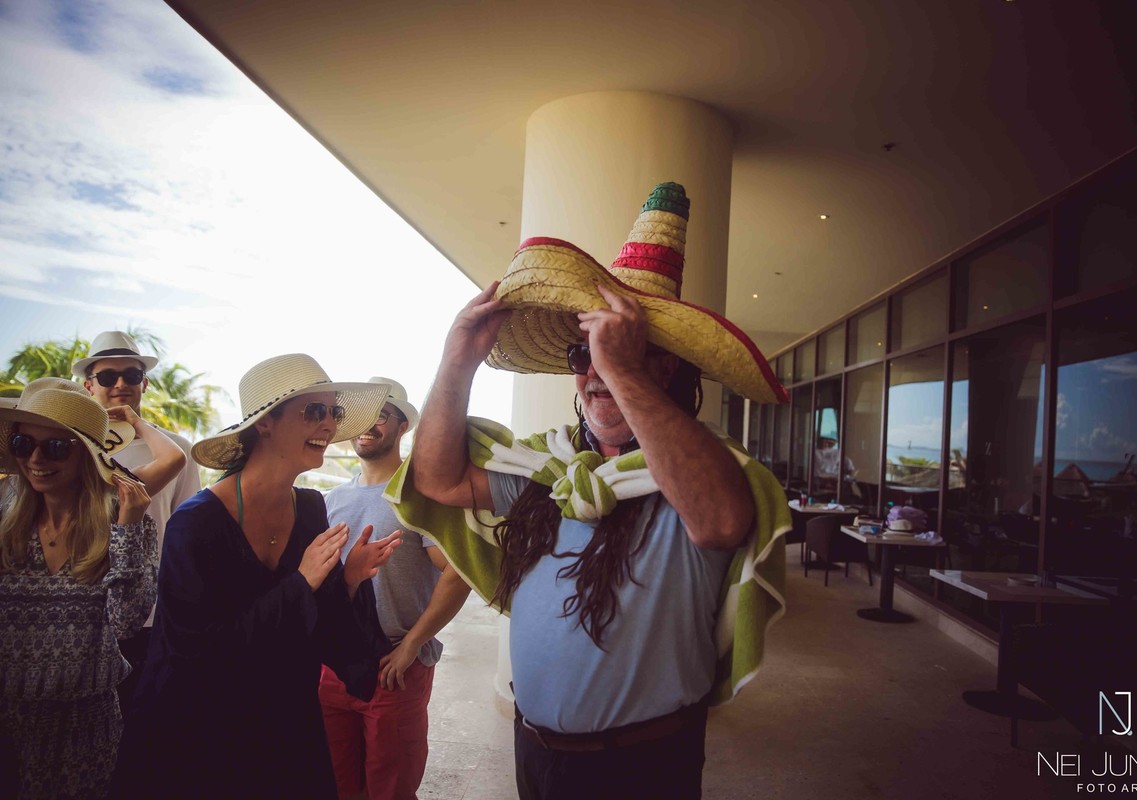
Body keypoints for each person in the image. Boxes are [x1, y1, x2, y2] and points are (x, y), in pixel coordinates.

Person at [389, 184, 792, 800]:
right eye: (584, 354)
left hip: (642, 766)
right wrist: (457, 363)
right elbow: (438, 480)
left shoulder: (702, 469)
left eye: (621, 351)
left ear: (666, 368)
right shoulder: (551, 469)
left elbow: (719, 520)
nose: (594, 372)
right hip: (536, 752)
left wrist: (620, 367)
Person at [115, 354, 399, 800]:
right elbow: (196, 652)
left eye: (335, 411)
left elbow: (320, 625)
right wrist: (301, 581)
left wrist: (348, 579)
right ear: (265, 423)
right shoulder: (197, 523)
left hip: (284, 724)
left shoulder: (311, 508)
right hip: (201, 736)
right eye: (314, 411)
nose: (329, 424)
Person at [0, 377, 185, 799]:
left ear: (85, 453)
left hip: (86, 724)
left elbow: (126, 621)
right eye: (23, 444)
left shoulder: (119, 514)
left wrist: (128, 530)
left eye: (56, 447)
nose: (36, 459)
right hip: (9, 720)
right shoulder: (6, 520)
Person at [319, 377, 471, 800]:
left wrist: (412, 646)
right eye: (359, 415)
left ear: (403, 426)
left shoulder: (419, 495)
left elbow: (458, 573)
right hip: (333, 667)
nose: (368, 425)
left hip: (393, 667)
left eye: (381, 415)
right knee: (336, 784)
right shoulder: (331, 500)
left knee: (391, 790)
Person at [72, 330, 203, 712]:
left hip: (153, 610)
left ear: (144, 383)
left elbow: (184, 531)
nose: (120, 385)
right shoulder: (71, 449)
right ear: (88, 385)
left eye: (131, 375)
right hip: (82, 607)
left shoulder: (177, 449)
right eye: (107, 376)